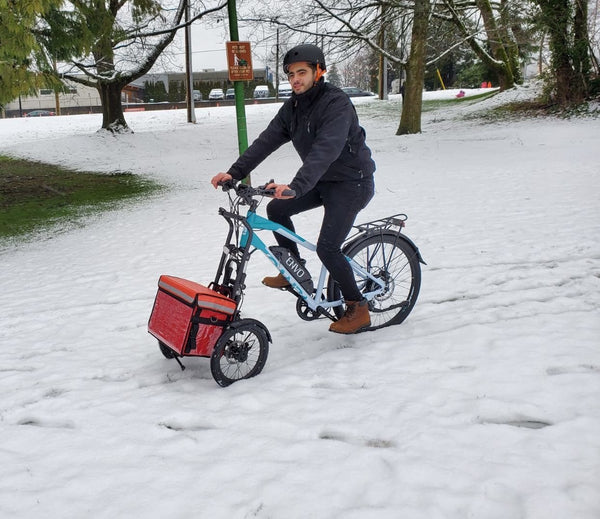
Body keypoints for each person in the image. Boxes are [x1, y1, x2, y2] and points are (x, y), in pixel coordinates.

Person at [211, 44, 376, 334]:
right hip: (322, 181)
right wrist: (234, 173)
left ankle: (357, 307)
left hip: (352, 182)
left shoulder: (336, 104)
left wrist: (297, 187)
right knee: (276, 209)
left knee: (328, 246)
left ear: (319, 72)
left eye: (302, 72)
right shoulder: (293, 108)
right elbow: (266, 141)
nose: (295, 79)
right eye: (291, 75)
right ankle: (293, 269)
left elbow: (325, 150)